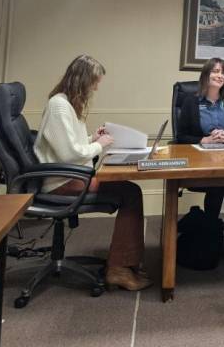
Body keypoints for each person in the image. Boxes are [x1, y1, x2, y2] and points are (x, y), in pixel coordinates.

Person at [34, 54, 151, 291]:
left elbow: (71, 146)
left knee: (129, 190)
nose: (95, 87)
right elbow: (69, 155)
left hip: (73, 174)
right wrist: (101, 144)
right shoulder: (59, 106)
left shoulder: (66, 104)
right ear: (82, 80)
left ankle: (125, 264)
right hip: (62, 181)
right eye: (94, 82)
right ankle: (119, 269)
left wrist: (93, 139)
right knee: (130, 193)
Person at [176, 57, 224, 262]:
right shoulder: (191, 101)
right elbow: (181, 136)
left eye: (223, 72)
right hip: (202, 159)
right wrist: (204, 139)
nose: (219, 75)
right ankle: (210, 236)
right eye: (215, 71)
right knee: (217, 186)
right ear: (206, 75)